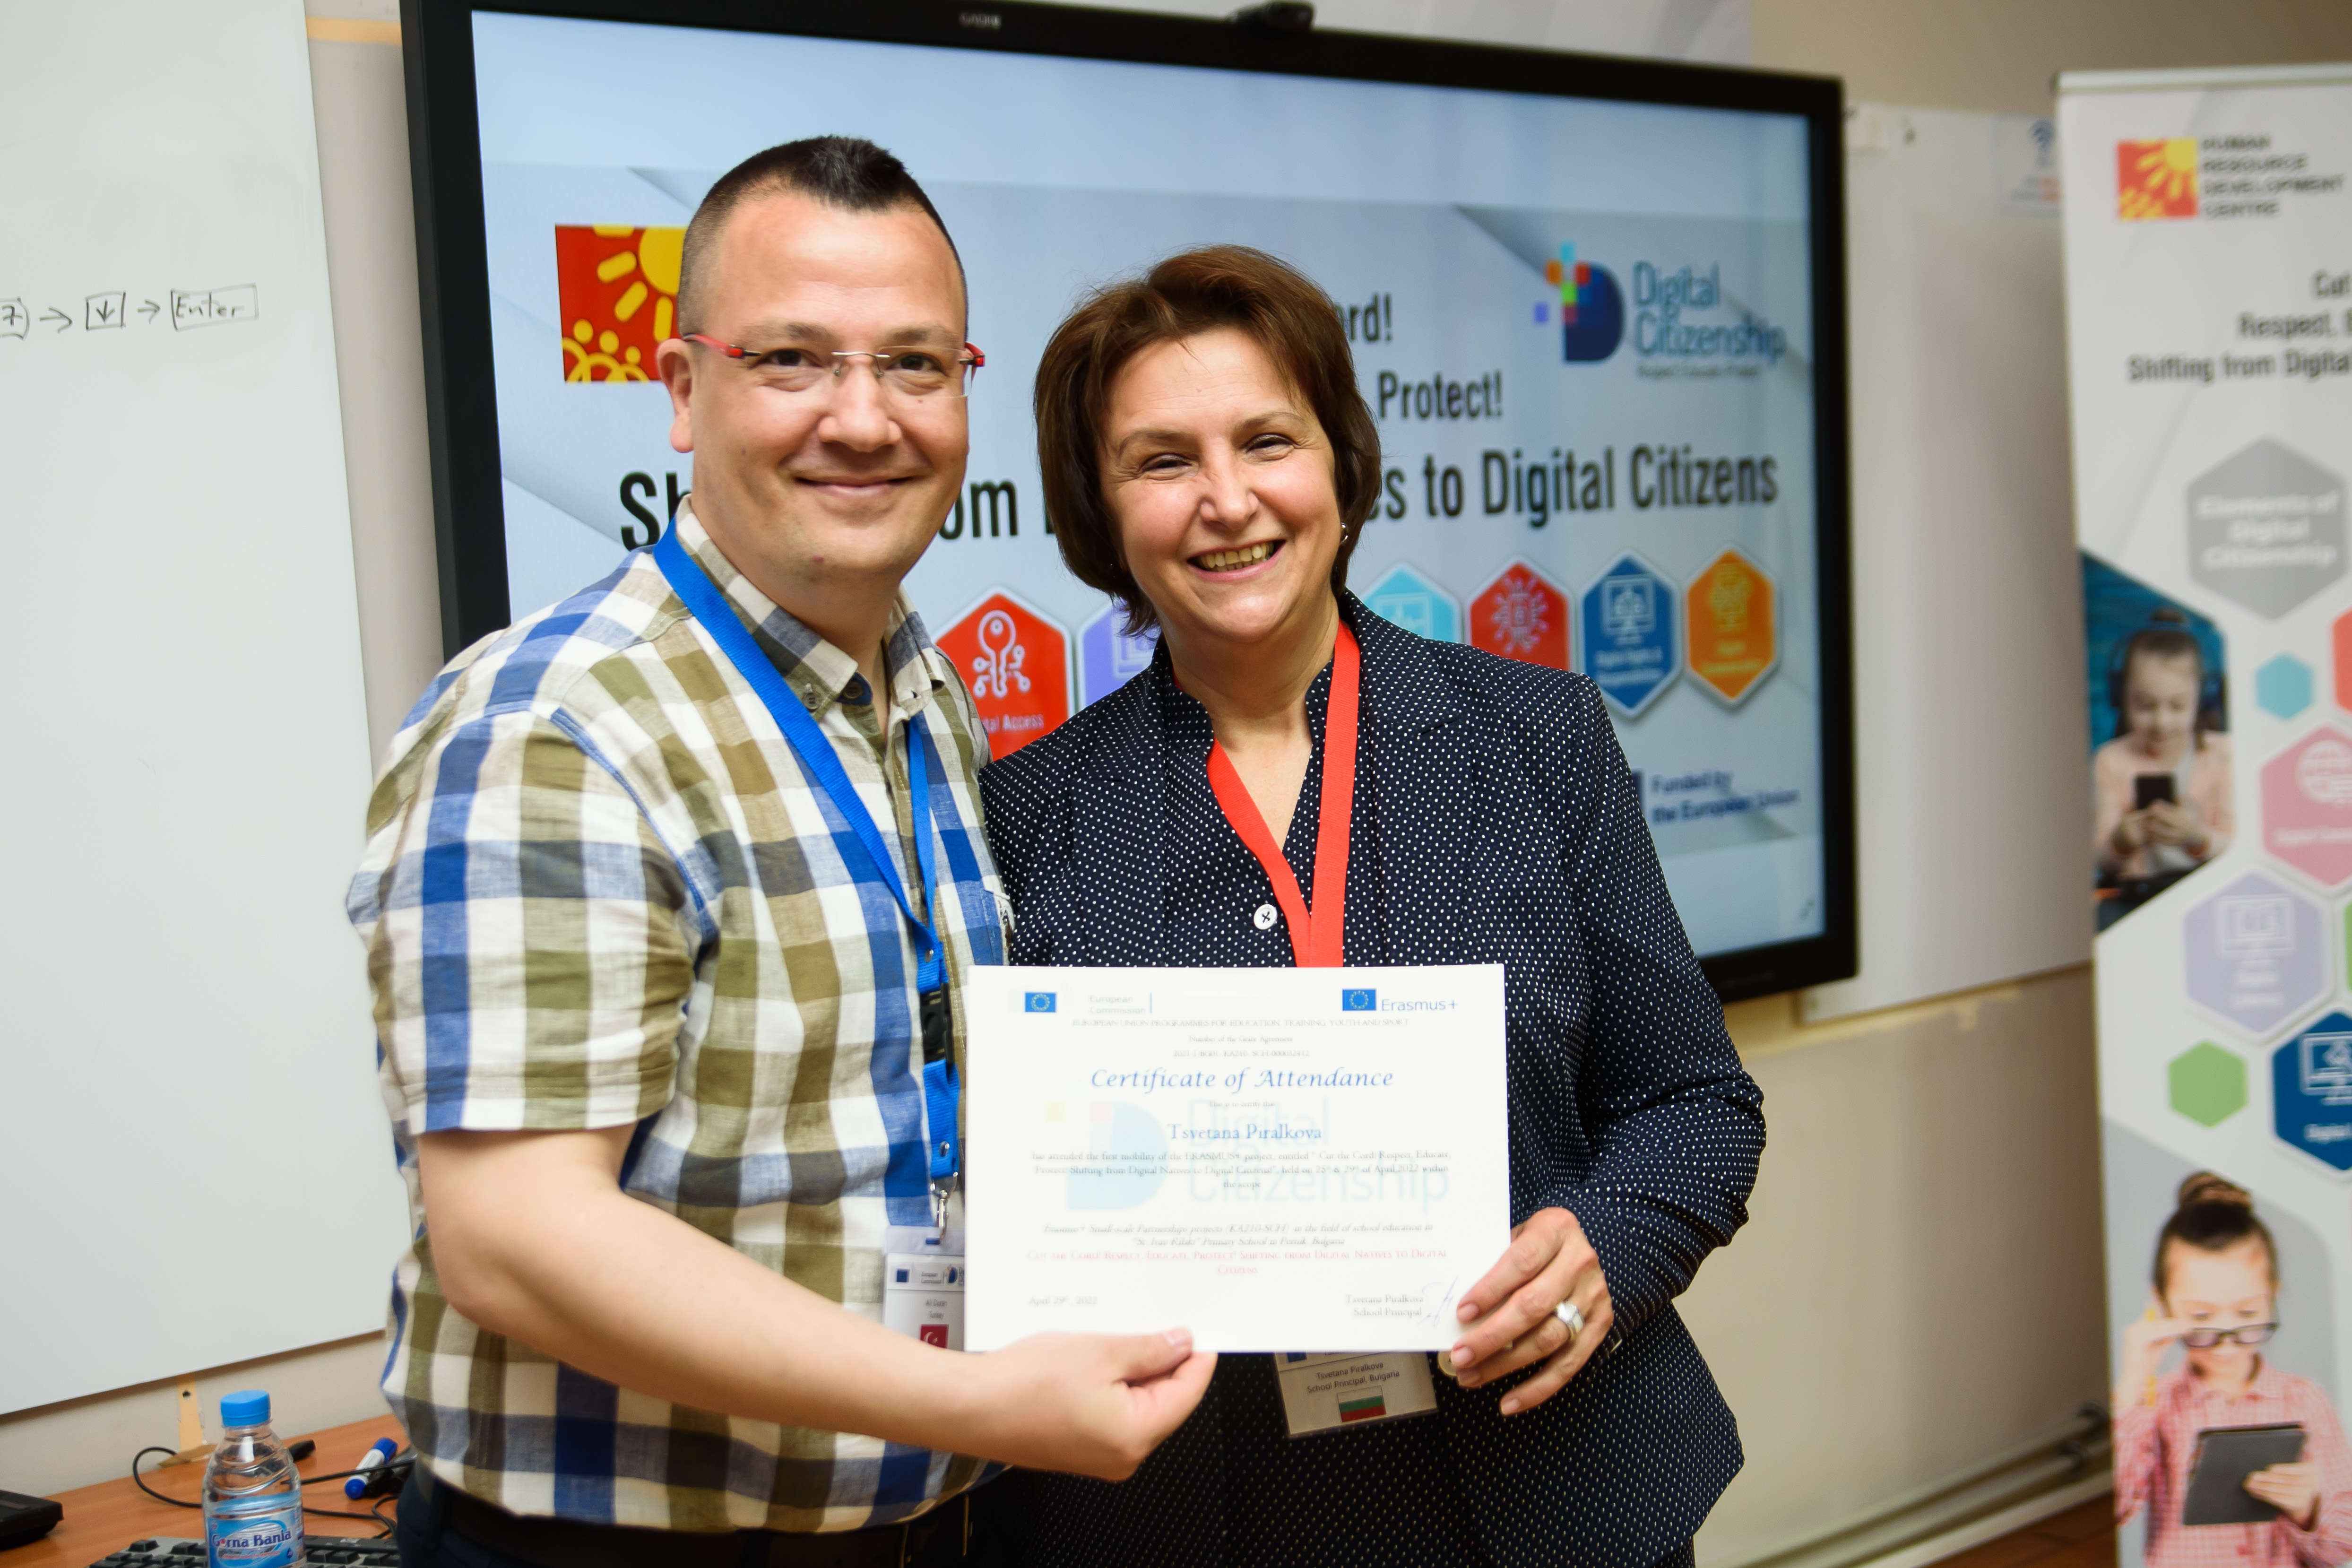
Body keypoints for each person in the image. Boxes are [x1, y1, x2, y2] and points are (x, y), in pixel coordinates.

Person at [346, 138, 1211, 1568]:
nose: (862, 419)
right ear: (682, 391)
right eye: (793, 360)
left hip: (924, 1518)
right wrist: (975, 1400)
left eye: (914, 365)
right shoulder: (557, 727)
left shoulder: (919, 694)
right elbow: (515, 1241)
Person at [978, 245, 1765, 1568]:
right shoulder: (1026, 813)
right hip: (1195, 1512)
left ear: (1340, 465)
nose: (1227, 499)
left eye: (1266, 440)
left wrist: (1602, 1244)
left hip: (1545, 1489)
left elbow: (1693, 1101)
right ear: (1098, 512)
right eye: (1161, 460)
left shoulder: (1536, 738)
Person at [2113, 1172, 2352, 1567]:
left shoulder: (2306, 1399)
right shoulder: (2156, 1404)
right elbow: (2116, 1508)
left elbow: (2343, 1547)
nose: (2227, 1340)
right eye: (2201, 1316)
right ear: (2162, 1305)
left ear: (2272, 1295)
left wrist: (2308, 1509)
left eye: (2247, 1312)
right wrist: (2133, 1382)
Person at [2093, 611, 2231, 884]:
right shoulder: (2109, 761)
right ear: (2121, 698)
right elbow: (2101, 862)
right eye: (2145, 706)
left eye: (2177, 706)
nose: (2161, 722)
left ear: (2203, 699)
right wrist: (2121, 842)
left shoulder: (2225, 755)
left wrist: (2197, 837)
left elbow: (2242, 849)